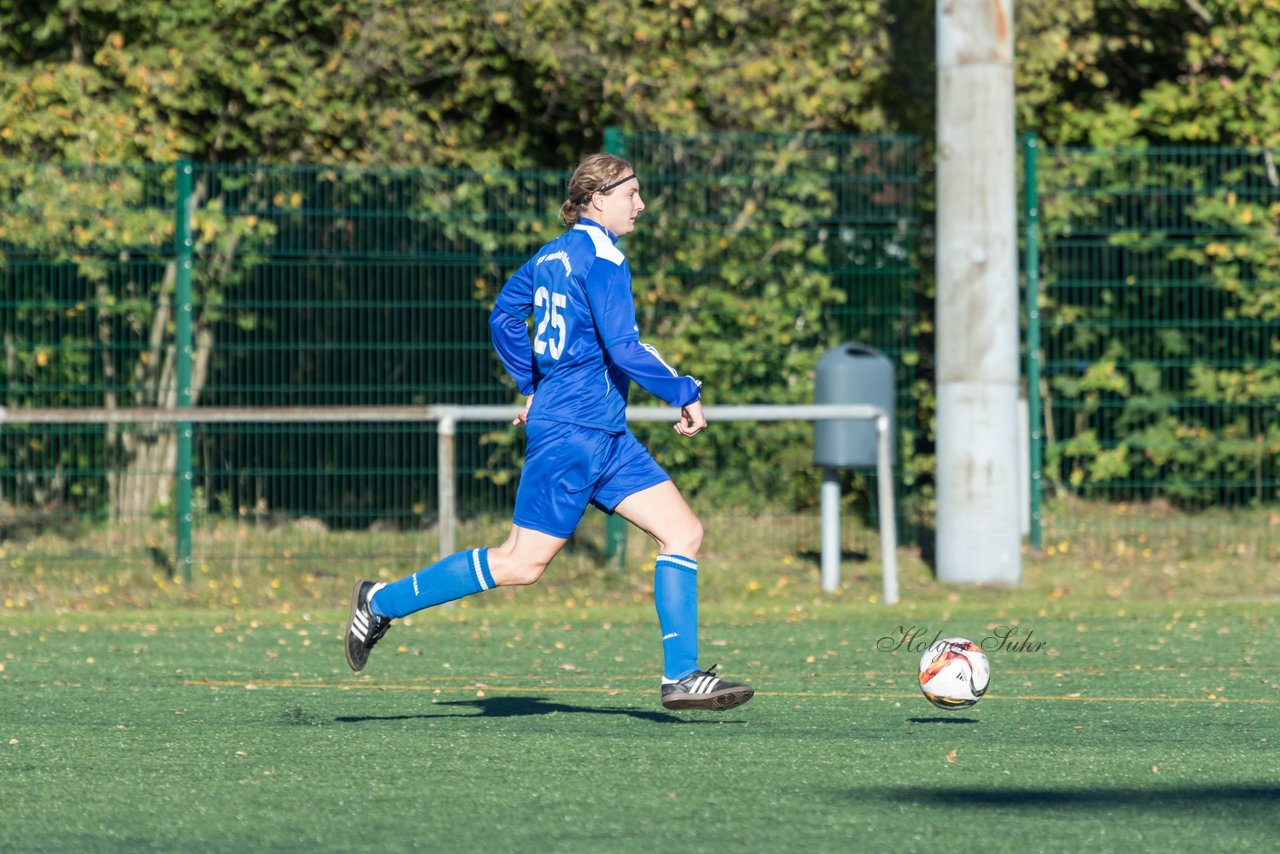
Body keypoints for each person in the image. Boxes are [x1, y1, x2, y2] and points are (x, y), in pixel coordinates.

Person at [344, 152, 753, 712]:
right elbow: (625, 348)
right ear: (597, 198)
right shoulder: (604, 259)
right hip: (572, 432)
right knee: (520, 563)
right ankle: (381, 601)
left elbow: (503, 318)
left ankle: (681, 676)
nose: (641, 203)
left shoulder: (549, 256)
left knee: (682, 532)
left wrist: (530, 384)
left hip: (601, 432)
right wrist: (684, 392)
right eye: (631, 193)